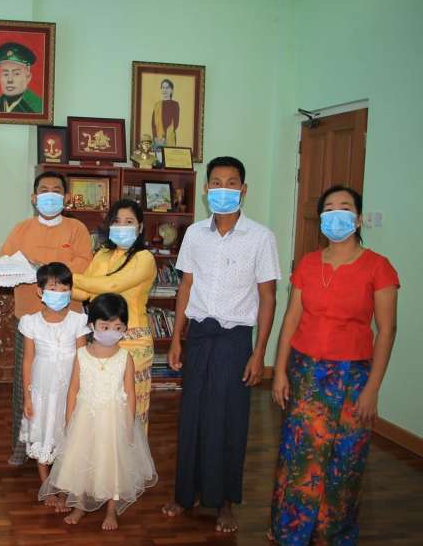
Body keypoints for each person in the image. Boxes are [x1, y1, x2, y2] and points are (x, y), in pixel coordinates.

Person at [268, 186, 399, 545]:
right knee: (299, 456)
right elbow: (291, 320)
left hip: (352, 378)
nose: (336, 213)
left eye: (344, 207)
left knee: (345, 460)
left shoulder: (378, 267)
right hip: (306, 374)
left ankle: (332, 533)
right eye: (329, 208)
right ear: (321, 218)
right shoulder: (309, 263)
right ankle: (290, 530)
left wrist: (372, 389)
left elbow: (387, 331)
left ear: (358, 219)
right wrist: (279, 372)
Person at [162, 156, 280, 533]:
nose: (223, 189)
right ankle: (186, 494)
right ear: (206, 189)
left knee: (229, 419)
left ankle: (224, 500)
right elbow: (185, 287)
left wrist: (259, 352)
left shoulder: (261, 237)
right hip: (199, 336)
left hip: (234, 340)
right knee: (193, 416)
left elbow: (268, 297)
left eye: (231, 183)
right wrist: (177, 338)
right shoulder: (195, 234)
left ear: (243, 190)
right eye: (216, 182)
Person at [39, 293, 157, 531]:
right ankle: (80, 505)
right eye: (105, 326)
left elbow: (130, 392)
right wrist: (69, 420)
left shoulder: (125, 357)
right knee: (82, 461)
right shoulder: (82, 355)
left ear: (125, 328)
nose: (111, 332)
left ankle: (111, 510)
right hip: (85, 419)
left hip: (114, 420)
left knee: (112, 464)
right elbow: (73, 390)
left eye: (118, 327)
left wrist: (128, 424)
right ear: (92, 325)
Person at [0, 171, 92, 466]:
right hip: (30, 320)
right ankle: (22, 447)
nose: (49, 194)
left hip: (70, 319)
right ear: (33, 197)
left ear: (66, 197)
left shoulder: (77, 229)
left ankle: (68, 448)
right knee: (27, 383)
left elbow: (84, 264)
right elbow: (5, 264)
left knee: (71, 383)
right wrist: (29, 268)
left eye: (56, 190)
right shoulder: (21, 229)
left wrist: (43, 269)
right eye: (43, 189)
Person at [71, 199, 157, 428]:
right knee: (101, 404)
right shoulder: (102, 255)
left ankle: (130, 451)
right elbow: (85, 293)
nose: (122, 226)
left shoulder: (144, 258)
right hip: (101, 337)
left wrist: (70, 277)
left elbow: (111, 286)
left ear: (140, 227)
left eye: (129, 222)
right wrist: (55, 285)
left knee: (130, 406)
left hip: (133, 339)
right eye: (117, 221)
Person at [19, 262, 89, 510]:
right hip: (42, 391)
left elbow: (83, 359)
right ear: (40, 291)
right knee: (44, 431)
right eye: (52, 287)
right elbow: (28, 361)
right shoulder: (31, 322)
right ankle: (47, 486)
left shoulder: (79, 321)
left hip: (71, 390)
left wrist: (81, 392)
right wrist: (28, 397)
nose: (58, 293)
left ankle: (65, 486)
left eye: (63, 288)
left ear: (70, 291)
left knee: (68, 433)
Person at [0, 42, 43, 113]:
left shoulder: (38, 108)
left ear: (28, 77)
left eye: (16, 74)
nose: (10, 80)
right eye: (5, 74)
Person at [151, 78, 179, 146]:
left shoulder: (175, 104)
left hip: (169, 139)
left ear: (171, 90)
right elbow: (153, 124)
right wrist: (156, 138)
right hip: (157, 140)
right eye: (163, 87)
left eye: (167, 88)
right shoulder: (157, 105)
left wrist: (164, 138)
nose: (165, 90)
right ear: (161, 89)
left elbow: (175, 124)